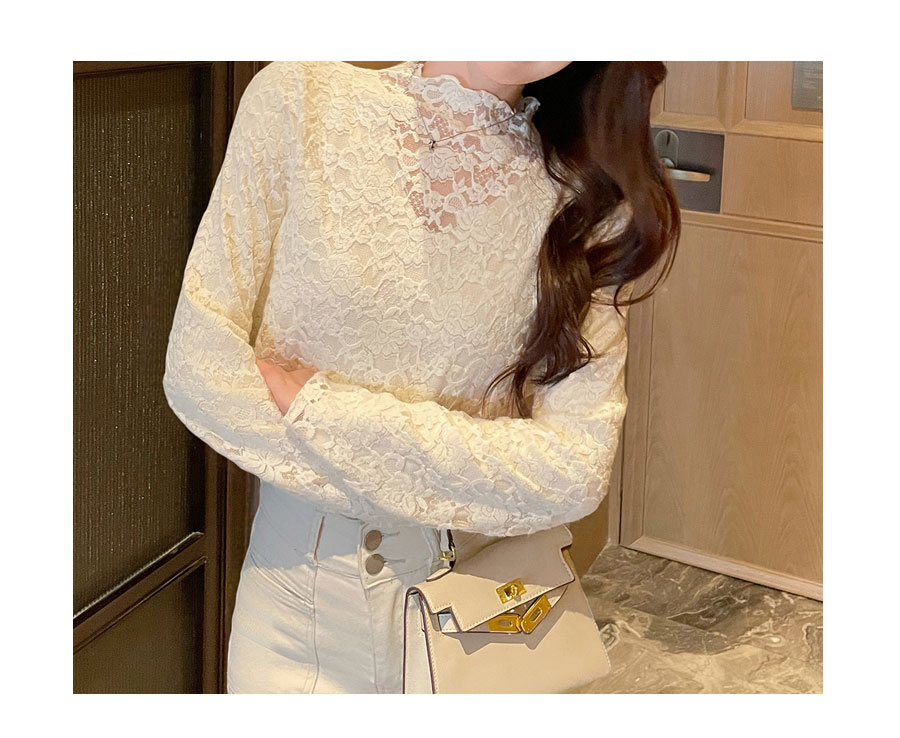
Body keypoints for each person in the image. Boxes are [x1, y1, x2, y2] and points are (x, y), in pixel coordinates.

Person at [162, 60, 679, 693]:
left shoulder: (587, 203)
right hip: (295, 621)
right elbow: (199, 373)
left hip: (482, 619)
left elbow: (576, 471)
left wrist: (325, 415)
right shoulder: (300, 103)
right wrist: (468, 467)